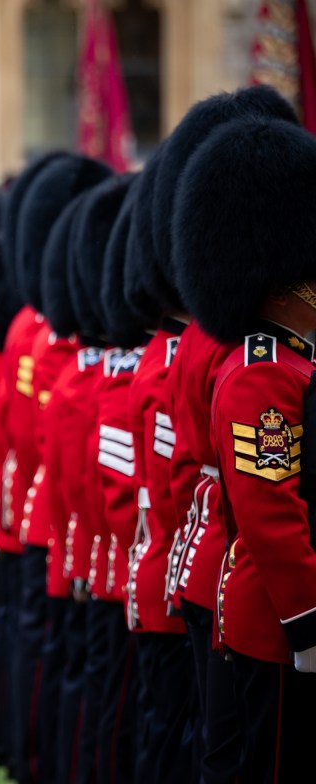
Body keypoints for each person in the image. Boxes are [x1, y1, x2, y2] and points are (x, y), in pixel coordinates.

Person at [174, 114, 316, 783]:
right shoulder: (264, 371)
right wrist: (309, 619)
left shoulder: (289, 363)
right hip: (279, 622)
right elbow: (271, 515)